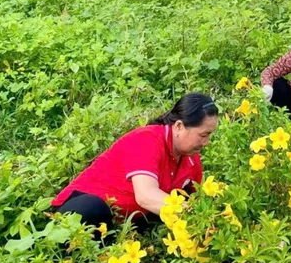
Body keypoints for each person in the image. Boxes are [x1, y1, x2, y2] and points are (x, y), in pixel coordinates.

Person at [51, 93, 219, 236]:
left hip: (122, 223)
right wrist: (198, 218)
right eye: (203, 135)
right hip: (79, 213)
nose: (207, 142)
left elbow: (195, 200)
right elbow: (146, 196)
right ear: (179, 126)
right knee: (94, 208)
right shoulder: (146, 140)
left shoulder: (191, 158)